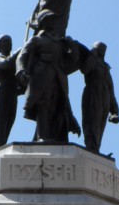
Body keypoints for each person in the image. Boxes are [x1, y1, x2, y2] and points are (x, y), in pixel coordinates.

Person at [16, 11, 82, 142]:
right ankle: (42, 136)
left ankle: (52, 135)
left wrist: (72, 45)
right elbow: (22, 56)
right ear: (44, 22)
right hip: (41, 77)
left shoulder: (59, 42)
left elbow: (73, 59)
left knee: (56, 105)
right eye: (50, 20)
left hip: (57, 77)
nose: (53, 23)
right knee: (43, 105)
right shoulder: (36, 40)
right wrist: (21, 70)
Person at [80, 41, 119, 152]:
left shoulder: (106, 67)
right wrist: (92, 54)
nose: (102, 50)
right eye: (99, 48)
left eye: (103, 49)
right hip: (92, 92)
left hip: (105, 96)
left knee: (101, 124)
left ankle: (96, 148)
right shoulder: (91, 61)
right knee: (92, 121)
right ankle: (91, 147)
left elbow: (111, 88)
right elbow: (85, 69)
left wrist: (115, 110)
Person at [0, 34, 20, 149]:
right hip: (1, 94)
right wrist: (21, 50)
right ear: (1, 45)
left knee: (7, 127)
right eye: (6, 42)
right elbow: (6, 63)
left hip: (12, 96)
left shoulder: (15, 63)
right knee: (0, 127)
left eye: (10, 42)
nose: (10, 44)